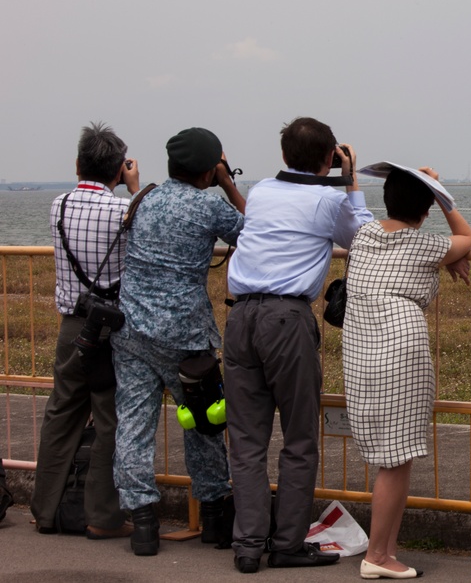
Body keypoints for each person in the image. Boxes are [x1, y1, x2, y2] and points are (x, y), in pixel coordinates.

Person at [224, 117, 374, 573]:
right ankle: (287, 543)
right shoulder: (328, 200)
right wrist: (351, 184)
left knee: (246, 441)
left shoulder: (264, 192)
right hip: (287, 319)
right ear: (330, 158)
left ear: (284, 155)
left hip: (240, 315)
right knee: (299, 437)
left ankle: (248, 544)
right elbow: (363, 238)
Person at [111, 127, 245, 557]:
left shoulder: (143, 198)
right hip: (185, 336)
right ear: (209, 170)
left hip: (131, 329)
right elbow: (253, 232)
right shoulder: (209, 204)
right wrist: (228, 183)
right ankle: (212, 515)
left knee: (133, 424)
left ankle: (144, 523)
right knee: (203, 424)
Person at [343, 165, 471, 580]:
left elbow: (359, 208)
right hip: (402, 351)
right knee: (397, 459)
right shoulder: (424, 245)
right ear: (425, 208)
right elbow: (468, 239)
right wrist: (442, 193)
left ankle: (387, 549)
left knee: (389, 455)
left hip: (361, 350)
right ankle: (377, 556)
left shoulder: (363, 235)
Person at [31, 122, 140, 538]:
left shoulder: (57, 205)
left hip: (72, 325)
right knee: (109, 417)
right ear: (119, 169)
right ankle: (102, 516)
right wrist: (133, 188)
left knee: (61, 412)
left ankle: (44, 510)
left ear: (78, 164)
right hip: (112, 329)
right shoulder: (123, 212)